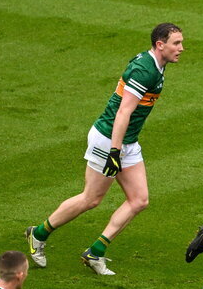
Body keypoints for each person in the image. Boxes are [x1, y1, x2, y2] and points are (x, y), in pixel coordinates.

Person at [25, 23, 185, 275]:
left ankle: (95, 253)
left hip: (127, 141)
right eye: (176, 43)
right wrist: (114, 151)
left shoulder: (156, 64)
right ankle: (38, 233)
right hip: (109, 139)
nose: (181, 48)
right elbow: (123, 111)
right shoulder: (145, 70)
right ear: (160, 45)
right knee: (91, 198)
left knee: (139, 200)